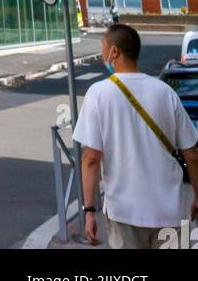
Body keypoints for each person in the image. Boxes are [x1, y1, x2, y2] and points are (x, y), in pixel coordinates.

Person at [74, 23, 198, 249]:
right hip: (170, 212)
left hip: (125, 213)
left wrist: (89, 211)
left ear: (114, 52)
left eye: (103, 47)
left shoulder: (98, 94)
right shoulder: (166, 92)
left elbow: (90, 158)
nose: (102, 53)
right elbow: (192, 156)